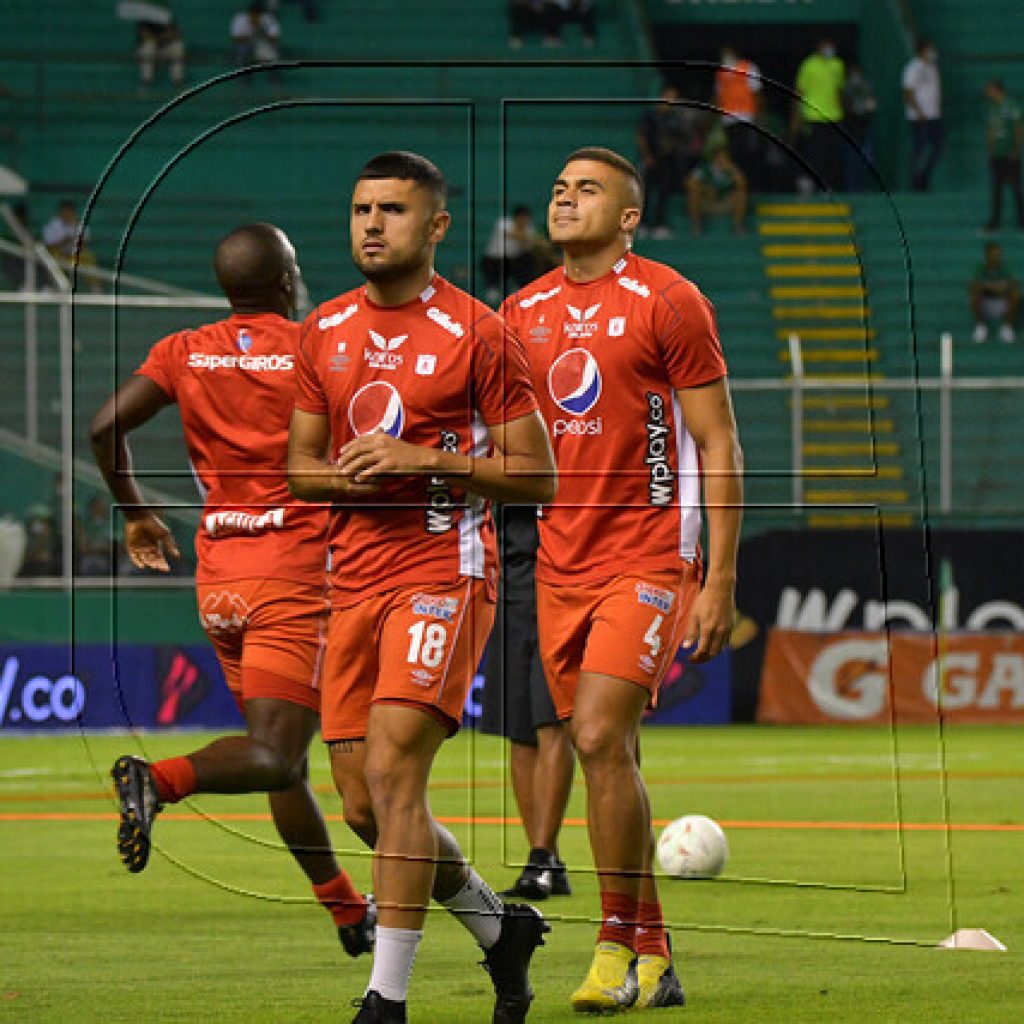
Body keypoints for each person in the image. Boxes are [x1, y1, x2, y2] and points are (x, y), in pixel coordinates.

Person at [286, 151, 556, 1024]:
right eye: (362, 208)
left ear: (436, 227)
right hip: (351, 582)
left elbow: (538, 476)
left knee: (399, 774)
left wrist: (429, 459)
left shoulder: (481, 332)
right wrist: (354, 478)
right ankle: (496, 929)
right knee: (365, 805)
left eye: (393, 210)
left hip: (444, 570)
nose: (371, 223)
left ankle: (385, 1001)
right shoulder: (321, 329)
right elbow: (300, 469)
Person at [90, 223, 375, 957]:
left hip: (221, 576)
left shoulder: (184, 351)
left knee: (278, 755)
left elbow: (103, 426)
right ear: (287, 280)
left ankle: (346, 909)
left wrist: (137, 514)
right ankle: (157, 780)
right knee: (275, 756)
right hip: (296, 569)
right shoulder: (318, 347)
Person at [503, 146, 743, 1012]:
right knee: (616, 762)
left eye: (588, 189)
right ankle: (659, 955)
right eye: (559, 187)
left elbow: (716, 442)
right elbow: (510, 446)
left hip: (648, 557)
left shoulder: (671, 301)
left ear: (630, 216)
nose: (566, 199)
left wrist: (715, 580)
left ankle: (611, 946)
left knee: (599, 740)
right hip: (558, 561)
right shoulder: (520, 311)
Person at [480, 504, 575, 901]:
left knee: (550, 722)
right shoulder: (498, 445)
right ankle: (546, 856)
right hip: (510, 584)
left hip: (564, 581)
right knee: (518, 730)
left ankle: (541, 858)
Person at [636, 83, 699, 239]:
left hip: (667, 160)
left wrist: (672, 146)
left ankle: (659, 224)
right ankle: (643, 224)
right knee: (646, 191)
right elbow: (641, 136)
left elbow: (683, 138)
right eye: (669, 96)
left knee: (664, 191)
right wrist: (647, 156)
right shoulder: (650, 115)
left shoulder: (675, 118)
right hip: (650, 158)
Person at [791, 38, 845, 192]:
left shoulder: (838, 65)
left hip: (834, 116)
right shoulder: (808, 65)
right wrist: (796, 117)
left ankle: (830, 186)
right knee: (816, 153)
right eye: (826, 46)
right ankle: (814, 185)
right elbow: (799, 92)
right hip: (813, 115)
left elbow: (839, 90)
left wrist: (842, 110)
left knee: (833, 154)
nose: (829, 48)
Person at [481, 205, 557, 304]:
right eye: (522, 218)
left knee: (528, 259)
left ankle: (521, 288)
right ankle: (493, 288)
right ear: (516, 217)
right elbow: (516, 235)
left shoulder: (529, 229)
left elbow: (529, 246)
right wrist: (539, 241)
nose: (524, 221)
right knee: (491, 263)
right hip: (496, 259)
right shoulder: (503, 224)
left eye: (526, 218)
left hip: (515, 261)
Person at [714, 44, 763, 190]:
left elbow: (757, 92)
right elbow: (718, 96)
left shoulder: (748, 67)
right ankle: (735, 186)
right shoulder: (721, 72)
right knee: (732, 153)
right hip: (728, 120)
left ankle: (749, 186)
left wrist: (758, 116)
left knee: (747, 153)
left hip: (746, 117)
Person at [982, 79, 1024, 232]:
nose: (988, 93)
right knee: (996, 190)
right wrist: (990, 150)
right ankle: (995, 222)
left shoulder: (1011, 106)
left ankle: (1021, 221)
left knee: (1016, 188)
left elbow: (1018, 127)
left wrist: (1016, 149)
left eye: (990, 90)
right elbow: (990, 130)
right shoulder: (992, 108)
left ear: (998, 90)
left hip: (1010, 154)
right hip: (997, 155)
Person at [903, 39, 944, 192]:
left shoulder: (932, 67)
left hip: (934, 115)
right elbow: (907, 92)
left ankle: (924, 179)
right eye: (930, 49)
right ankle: (916, 184)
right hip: (920, 117)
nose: (933, 53)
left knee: (938, 147)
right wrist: (918, 111)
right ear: (922, 50)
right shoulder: (914, 67)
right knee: (920, 150)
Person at [686, 142, 748, 235]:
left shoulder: (731, 168)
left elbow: (742, 184)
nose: (722, 159)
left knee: (740, 194)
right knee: (693, 193)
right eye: (720, 156)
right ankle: (696, 226)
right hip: (707, 204)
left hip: (724, 204)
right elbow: (689, 182)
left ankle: (737, 227)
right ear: (714, 157)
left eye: (725, 156)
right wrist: (706, 189)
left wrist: (731, 169)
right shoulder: (704, 168)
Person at [42, 200, 102, 292]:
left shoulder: (79, 225)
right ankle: (49, 286)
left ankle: (95, 287)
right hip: (57, 254)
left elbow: (84, 244)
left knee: (89, 257)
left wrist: (74, 232)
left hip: (74, 255)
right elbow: (50, 245)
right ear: (60, 212)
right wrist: (67, 240)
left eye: (69, 212)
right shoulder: (52, 226)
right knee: (49, 259)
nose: (67, 214)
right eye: (64, 212)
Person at [970, 241, 1019, 343]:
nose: (997, 257)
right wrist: (994, 287)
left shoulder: (1006, 268)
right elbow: (973, 285)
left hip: (1002, 303)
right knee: (975, 294)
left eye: (999, 254)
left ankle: (1007, 327)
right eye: (994, 254)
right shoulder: (980, 268)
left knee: (1015, 294)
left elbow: (1013, 284)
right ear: (987, 255)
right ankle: (981, 326)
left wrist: (991, 286)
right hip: (985, 304)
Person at [842, 62, 878, 192]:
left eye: (857, 73)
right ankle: (852, 190)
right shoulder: (844, 89)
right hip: (850, 130)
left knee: (867, 161)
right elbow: (844, 107)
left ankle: (865, 190)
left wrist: (868, 107)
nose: (855, 76)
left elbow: (872, 105)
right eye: (852, 73)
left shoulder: (867, 87)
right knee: (851, 162)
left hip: (865, 129)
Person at [136, 17, 185, 90]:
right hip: (147, 51)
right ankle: (146, 80)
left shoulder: (165, 17)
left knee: (177, 46)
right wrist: (161, 38)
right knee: (149, 47)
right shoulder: (144, 20)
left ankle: (178, 80)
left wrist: (162, 37)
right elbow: (145, 37)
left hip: (164, 49)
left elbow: (175, 34)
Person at [232, 3, 281, 67]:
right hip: (246, 44)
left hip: (263, 43)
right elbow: (236, 39)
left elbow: (275, 39)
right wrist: (252, 34)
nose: (255, 16)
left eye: (257, 14)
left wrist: (260, 30)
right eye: (253, 14)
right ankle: (242, 69)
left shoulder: (269, 19)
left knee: (272, 53)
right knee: (241, 48)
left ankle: (273, 73)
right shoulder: (240, 18)